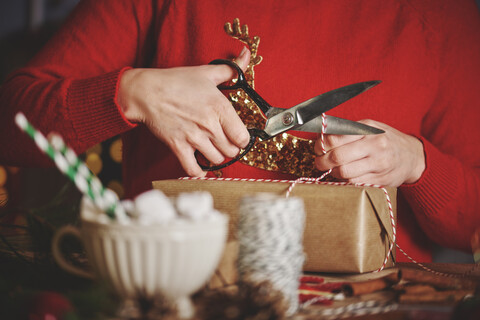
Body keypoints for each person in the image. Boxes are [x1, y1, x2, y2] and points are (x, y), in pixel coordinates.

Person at [1, 0, 479, 263]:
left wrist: (420, 163)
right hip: (170, 299)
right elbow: (10, 123)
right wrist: (132, 90)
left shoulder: (439, 17)